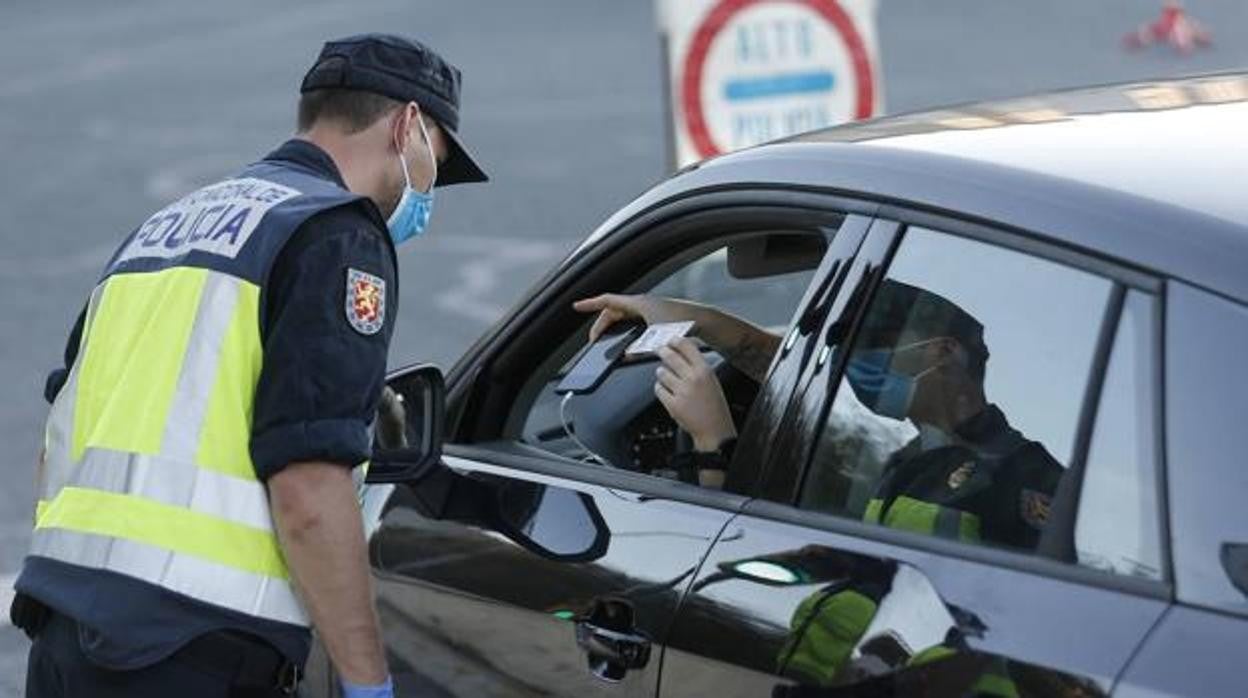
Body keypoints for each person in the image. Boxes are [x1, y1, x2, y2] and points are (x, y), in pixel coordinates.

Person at [10, 34, 486, 698]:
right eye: (434, 159)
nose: (429, 188)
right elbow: (309, 492)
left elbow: (60, 435)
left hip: (63, 631)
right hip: (189, 649)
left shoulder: (163, 228)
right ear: (407, 125)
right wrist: (366, 679)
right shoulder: (335, 233)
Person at [574, 282, 1062, 550]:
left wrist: (714, 442)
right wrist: (681, 314)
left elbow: (726, 546)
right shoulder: (906, 456)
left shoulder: (1024, 477)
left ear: (944, 352)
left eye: (871, 353)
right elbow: (787, 368)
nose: (855, 371)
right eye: (848, 357)